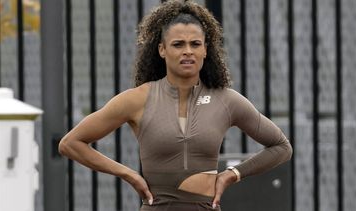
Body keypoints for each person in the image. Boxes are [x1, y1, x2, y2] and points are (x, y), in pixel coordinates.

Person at [58, 0, 293, 210]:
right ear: (162, 50)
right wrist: (128, 174)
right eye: (178, 44)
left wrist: (232, 175)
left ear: (205, 50)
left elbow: (281, 147)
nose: (187, 51)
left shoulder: (226, 99)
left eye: (195, 44)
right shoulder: (137, 99)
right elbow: (71, 143)